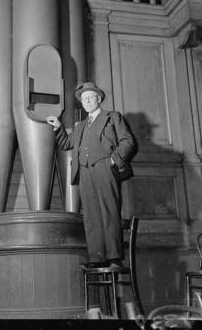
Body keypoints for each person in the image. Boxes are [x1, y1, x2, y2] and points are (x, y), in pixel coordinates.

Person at [46, 82, 136, 269]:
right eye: (83, 99)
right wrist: (58, 127)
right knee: (91, 216)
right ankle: (97, 257)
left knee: (109, 212)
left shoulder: (112, 117)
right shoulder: (79, 126)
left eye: (90, 97)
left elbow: (128, 141)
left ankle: (114, 258)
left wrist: (112, 161)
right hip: (84, 171)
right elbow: (66, 144)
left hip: (105, 168)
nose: (86, 101)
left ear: (99, 99)